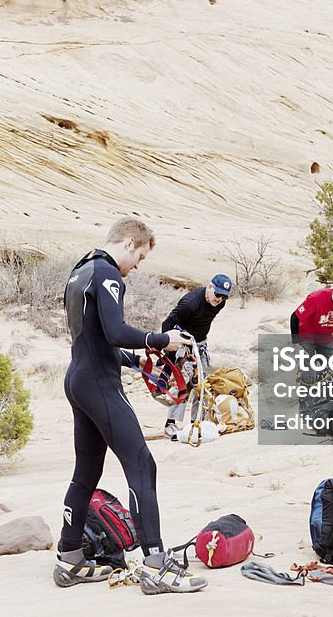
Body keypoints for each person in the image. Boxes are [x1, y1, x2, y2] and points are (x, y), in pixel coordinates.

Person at [54, 217, 208, 595]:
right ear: (127, 243)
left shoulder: (81, 270)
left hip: (79, 377)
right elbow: (115, 331)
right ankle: (156, 565)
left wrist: (134, 361)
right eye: (138, 256)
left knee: (86, 473)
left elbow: (92, 339)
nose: (136, 265)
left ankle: (69, 558)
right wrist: (162, 340)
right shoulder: (108, 274)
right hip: (99, 385)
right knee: (141, 463)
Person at [161, 274, 233, 440]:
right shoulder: (189, 303)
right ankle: (171, 424)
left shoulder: (219, 303)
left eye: (224, 296)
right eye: (217, 294)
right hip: (183, 344)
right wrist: (168, 351)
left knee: (203, 382)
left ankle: (198, 422)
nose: (219, 299)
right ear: (209, 287)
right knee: (183, 382)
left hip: (201, 345)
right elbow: (167, 324)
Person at [290, 283, 333, 396]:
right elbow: (294, 317)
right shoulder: (316, 298)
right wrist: (295, 343)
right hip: (306, 334)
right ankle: (306, 411)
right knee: (309, 373)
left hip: (325, 335)